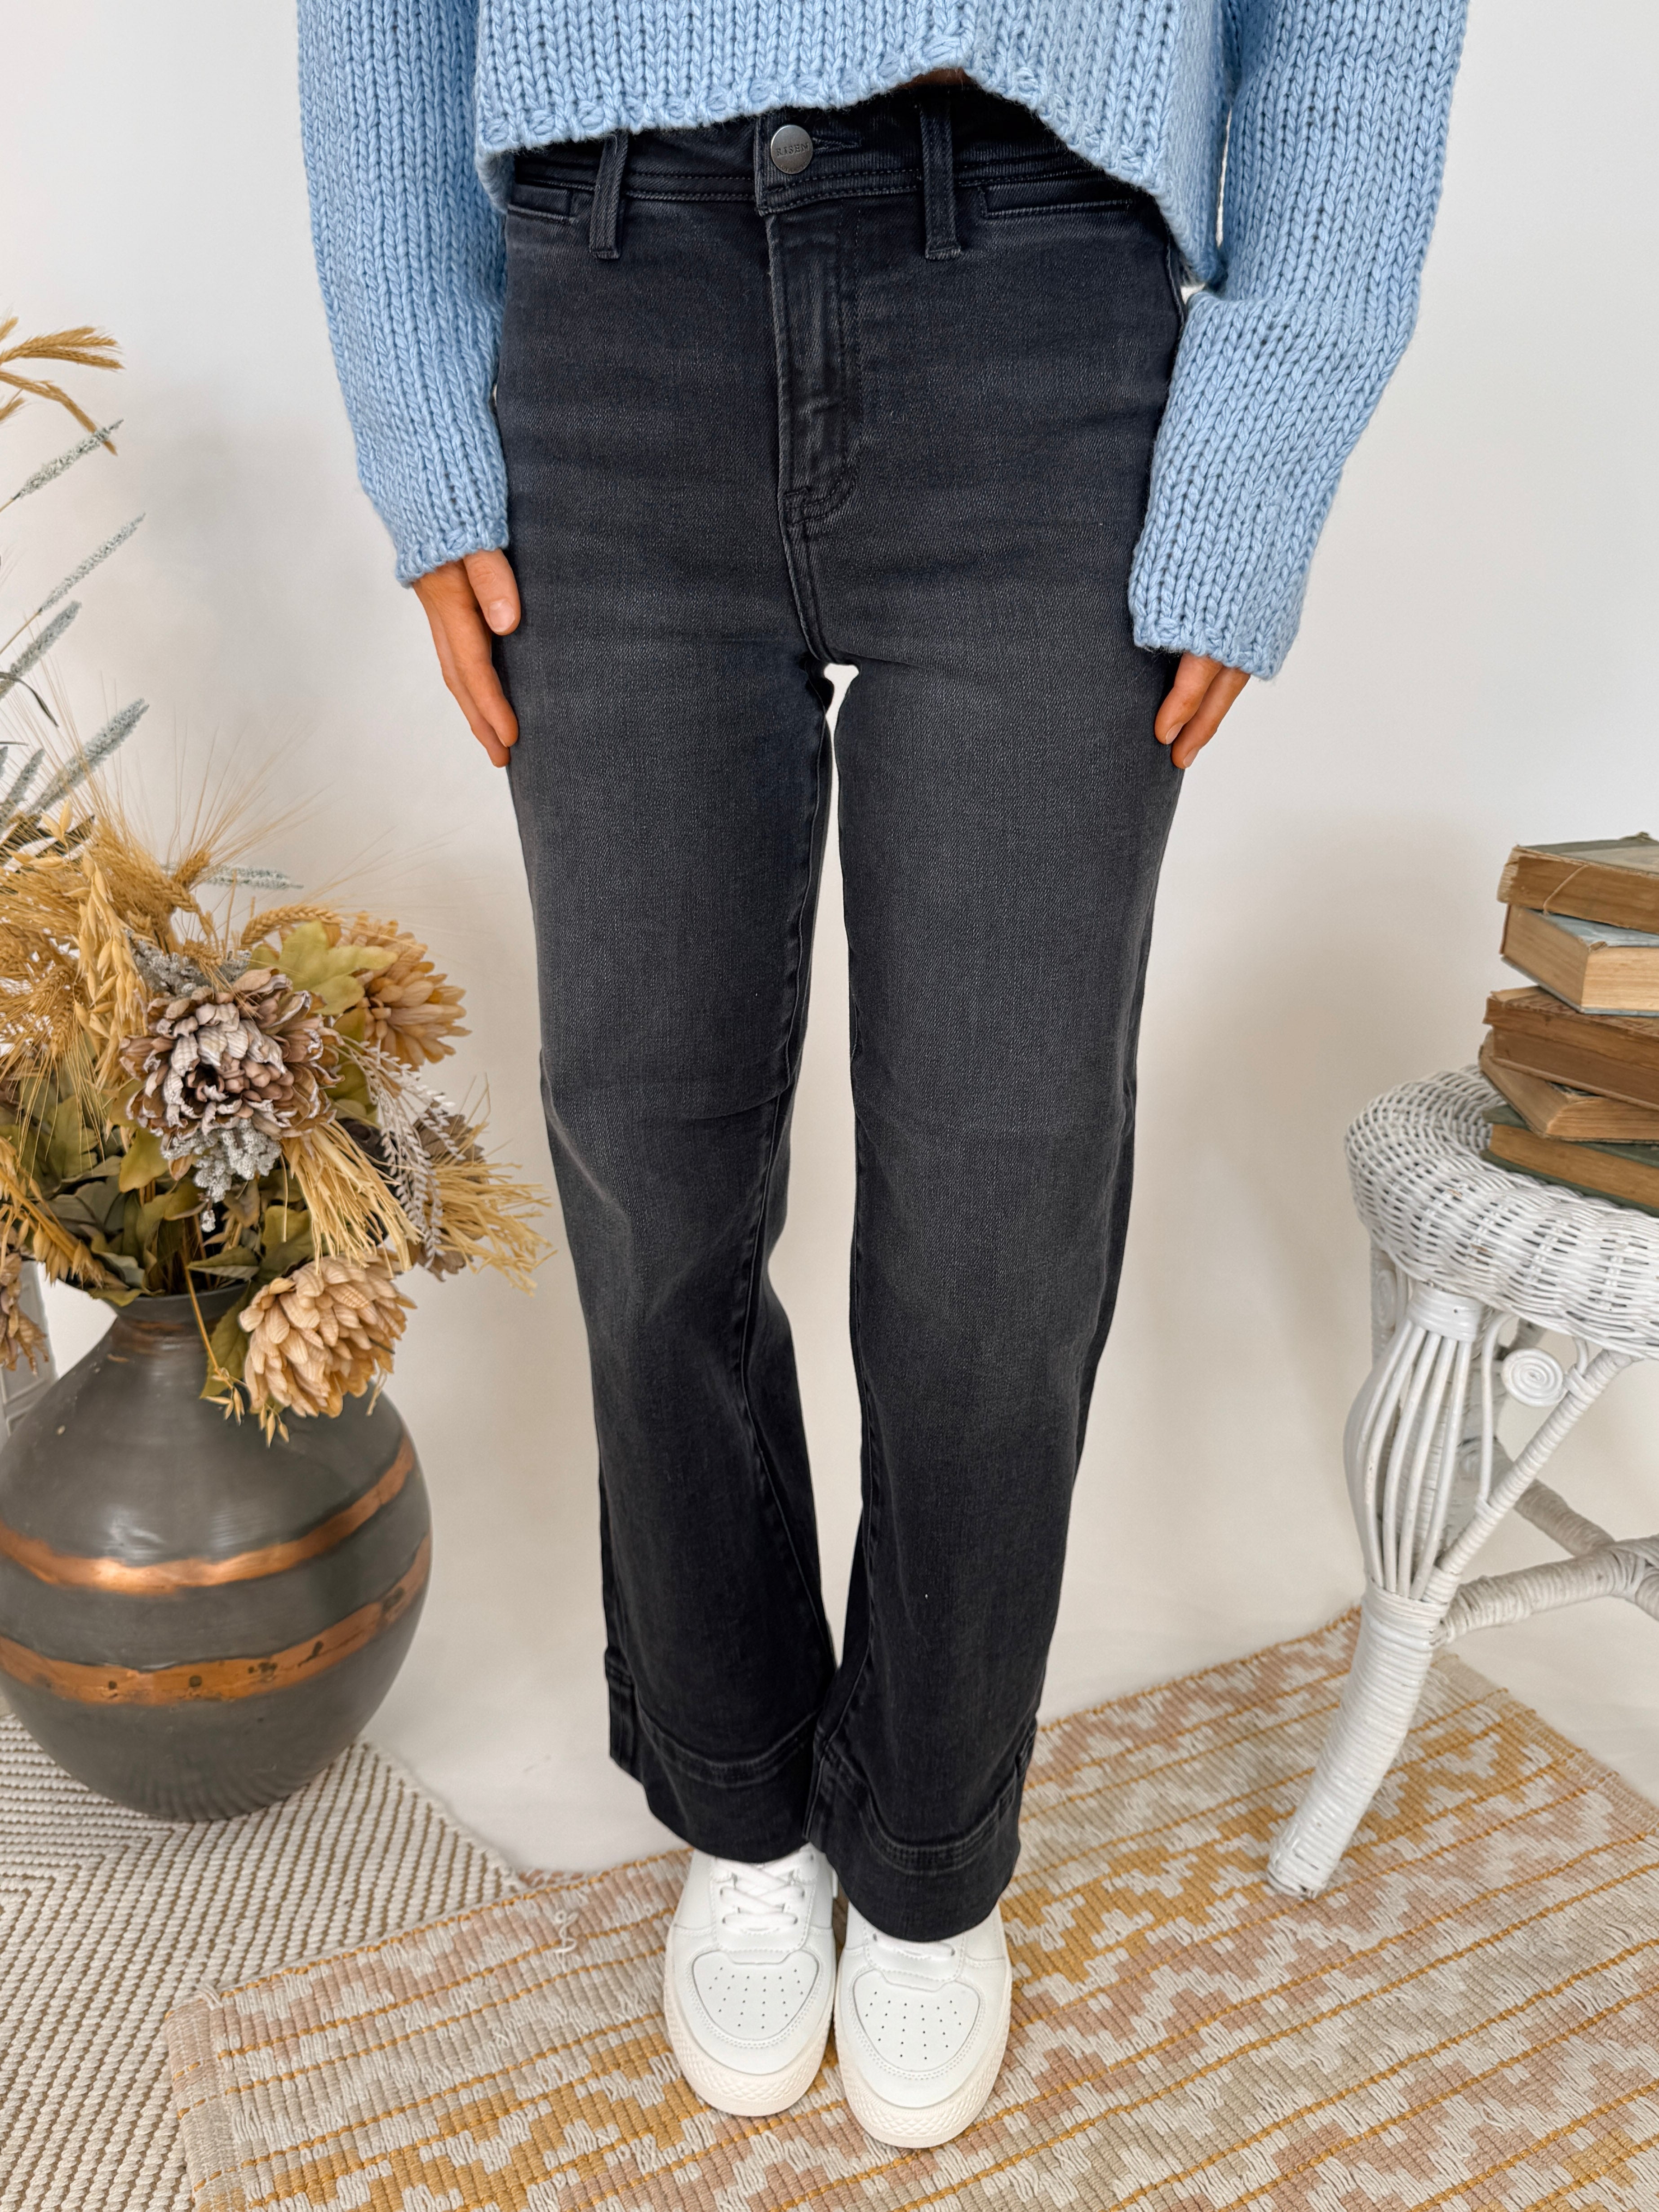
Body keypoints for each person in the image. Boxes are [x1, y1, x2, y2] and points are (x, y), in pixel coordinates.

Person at [297, 0, 1467, 2149]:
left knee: (1000, 1212)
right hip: (614, 318)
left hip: (1039, 312)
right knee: (648, 1163)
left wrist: (1269, 422)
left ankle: (924, 1845)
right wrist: (414, 398)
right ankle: (743, 1802)